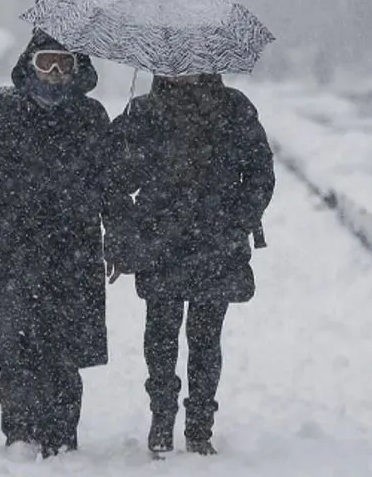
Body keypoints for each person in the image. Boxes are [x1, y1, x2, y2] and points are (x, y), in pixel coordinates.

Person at [0, 30, 110, 458]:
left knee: (64, 350)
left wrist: (121, 240)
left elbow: (111, 187)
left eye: (63, 63)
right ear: (29, 63)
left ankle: (62, 436)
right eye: (46, 61)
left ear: (77, 68)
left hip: (74, 246)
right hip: (14, 245)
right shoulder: (6, 110)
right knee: (16, 345)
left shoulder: (91, 116)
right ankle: (20, 435)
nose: (53, 72)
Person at [102, 73, 275, 456]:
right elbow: (112, 178)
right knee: (161, 335)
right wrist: (123, 231)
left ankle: (200, 425)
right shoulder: (142, 113)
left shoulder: (234, 108)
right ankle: (162, 417)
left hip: (218, 242)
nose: (184, 70)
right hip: (161, 242)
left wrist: (239, 219)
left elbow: (260, 172)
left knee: (205, 337)